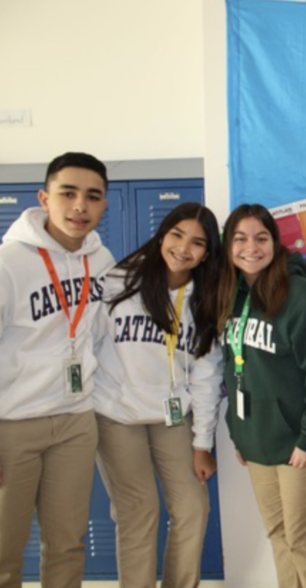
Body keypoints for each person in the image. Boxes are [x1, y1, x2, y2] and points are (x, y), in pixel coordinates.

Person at [92, 202, 224, 588]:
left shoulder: (203, 299)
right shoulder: (119, 281)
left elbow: (205, 375)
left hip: (170, 417)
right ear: (162, 233)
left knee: (193, 508)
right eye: (177, 235)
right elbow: (88, 342)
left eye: (198, 243)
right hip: (116, 416)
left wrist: (202, 444)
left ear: (207, 253)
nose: (184, 248)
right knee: (139, 510)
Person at [217, 204, 306, 588]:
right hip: (257, 444)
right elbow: (233, 370)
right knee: (279, 537)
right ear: (228, 246)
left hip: (300, 445)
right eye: (240, 239)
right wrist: (239, 433)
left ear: (275, 243)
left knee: (304, 542)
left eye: (261, 238)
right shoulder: (234, 296)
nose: (250, 248)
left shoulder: (300, 296)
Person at [0, 152, 115, 588]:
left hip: (74, 422)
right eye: (68, 193)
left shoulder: (102, 263)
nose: (80, 206)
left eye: (92, 196)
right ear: (44, 198)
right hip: (12, 425)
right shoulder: (9, 263)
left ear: (105, 205)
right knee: (4, 552)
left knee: (67, 544)